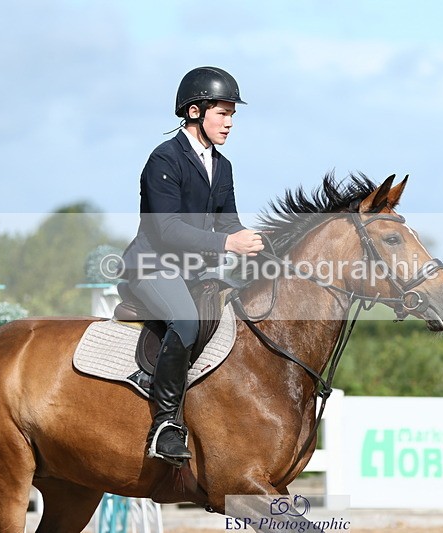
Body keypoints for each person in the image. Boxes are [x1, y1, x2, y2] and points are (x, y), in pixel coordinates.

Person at [120, 66, 264, 465]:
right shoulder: (164, 159)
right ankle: (164, 425)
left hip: (195, 271)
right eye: (223, 113)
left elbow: (229, 223)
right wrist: (226, 243)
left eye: (233, 114)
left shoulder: (223, 165)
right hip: (152, 266)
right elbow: (166, 229)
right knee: (185, 322)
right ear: (196, 112)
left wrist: (259, 246)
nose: (230, 123)